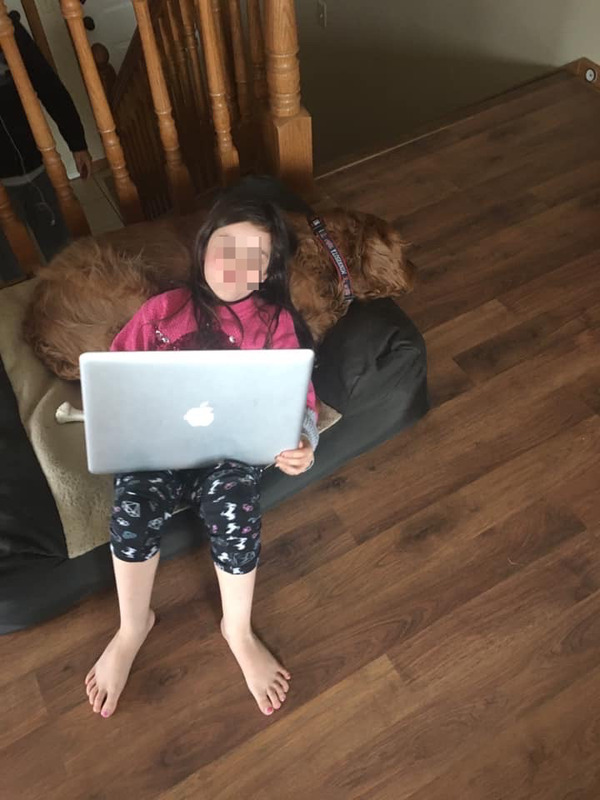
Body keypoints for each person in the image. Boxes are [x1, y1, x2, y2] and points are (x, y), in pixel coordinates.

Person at [84, 190, 319, 719]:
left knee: (234, 501)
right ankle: (131, 625)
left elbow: (299, 399)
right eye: (226, 245)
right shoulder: (161, 312)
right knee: (132, 504)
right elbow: (114, 377)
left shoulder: (276, 324)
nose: (235, 266)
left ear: (268, 271)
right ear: (202, 245)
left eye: (253, 257)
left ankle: (236, 628)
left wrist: (303, 442)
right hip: (154, 449)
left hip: (232, 455)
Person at [0, 11, 92, 281]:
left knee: (61, 256)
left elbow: (49, 86)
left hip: (32, 169)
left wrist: (77, 143)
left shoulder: (9, 30)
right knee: (9, 271)